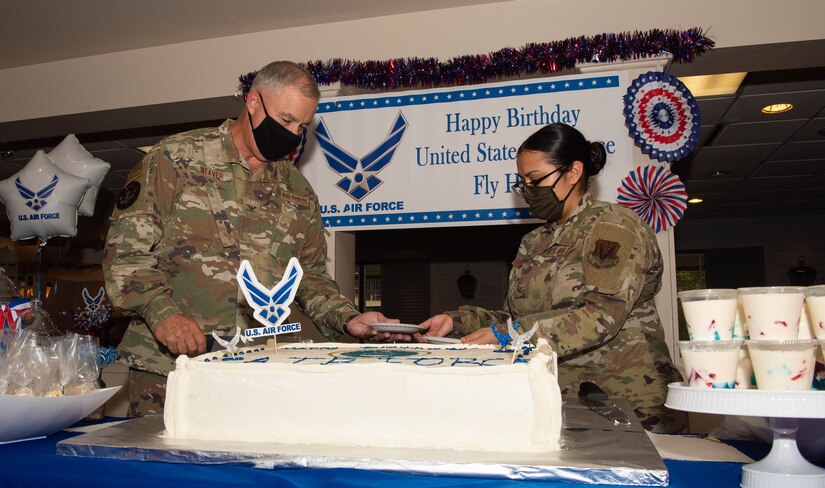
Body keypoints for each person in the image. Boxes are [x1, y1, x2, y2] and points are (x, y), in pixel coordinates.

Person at [103, 61, 398, 417]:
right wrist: (163, 315)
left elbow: (310, 278)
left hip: (259, 370)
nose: (292, 134)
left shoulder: (298, 190)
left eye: (302, 126)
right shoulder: (176, 159)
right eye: (286, 120)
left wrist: (349, 318)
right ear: (253, 101)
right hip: (171, 367)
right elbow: (126, 254)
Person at [420, 123, 686, 433]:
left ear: (573, 172)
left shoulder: (614, 227)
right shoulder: (534, 242)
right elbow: (513, 318)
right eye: (522, 182)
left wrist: (512, 334)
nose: (528, 189)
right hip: (554, 397)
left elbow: (600, 315)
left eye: (535, 179)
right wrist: (456, 322)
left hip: (627, 402)